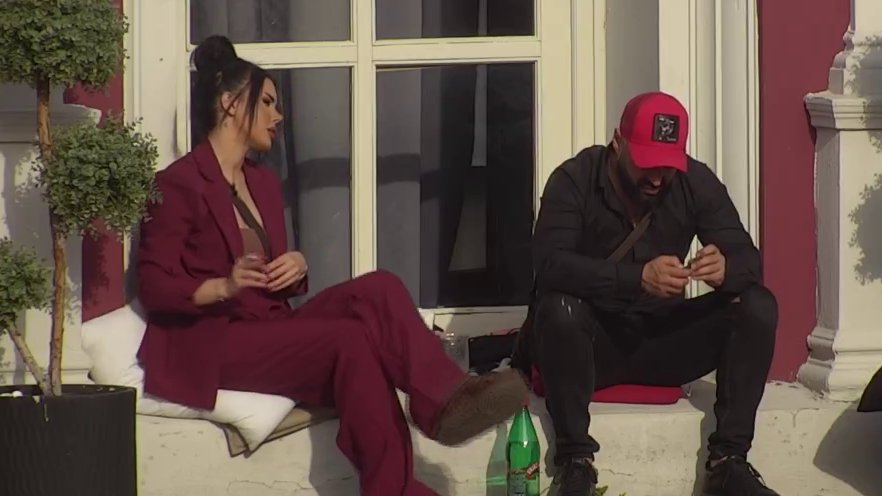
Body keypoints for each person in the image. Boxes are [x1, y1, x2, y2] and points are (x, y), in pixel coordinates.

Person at [135, 35, 528, 496]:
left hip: (269, 327)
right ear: (230, 103)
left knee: (379, 287)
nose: (278, 116)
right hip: (216, 341)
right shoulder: (178, 183)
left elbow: (272, 282)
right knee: (349, 340)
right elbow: (153, 286)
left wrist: (296, 266)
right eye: (267, 102)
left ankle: (445, 401)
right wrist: (223, 286)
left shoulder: (262, 182)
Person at [512, 92, 780, 496]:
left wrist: (726, 268)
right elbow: (551, 265)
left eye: (667, 166)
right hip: (588, 346)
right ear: (617, 143)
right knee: (560, 307)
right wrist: (636, 278)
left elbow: (749, 260)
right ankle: (575, 463)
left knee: (757, 304)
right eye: (646, 164)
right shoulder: (574, 179)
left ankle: (728, 463)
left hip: (662, 340)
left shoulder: (695, 182)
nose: (656, 178)